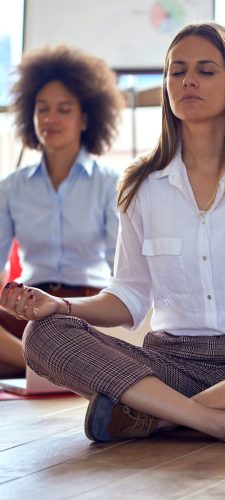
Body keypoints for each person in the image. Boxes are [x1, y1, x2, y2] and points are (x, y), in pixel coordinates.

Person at [0, 23, 225, 447]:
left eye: (206, 71)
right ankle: (220, 422)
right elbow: (127, 297)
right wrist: (60, 305)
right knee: (44, 334)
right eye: (176, 71)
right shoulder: (140, 183)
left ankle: (158, 418)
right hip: (170, 365)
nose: (187, 80)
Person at [0, 45, 124, 377]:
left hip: (84, 308)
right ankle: (44, 368)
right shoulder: (11, 187)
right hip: (26, 308)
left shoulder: (110, 183)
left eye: (64, 109)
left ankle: (41, 368)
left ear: (85, 118)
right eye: (42, 109)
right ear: (30, 114)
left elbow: (122, 271)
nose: (50, 119)